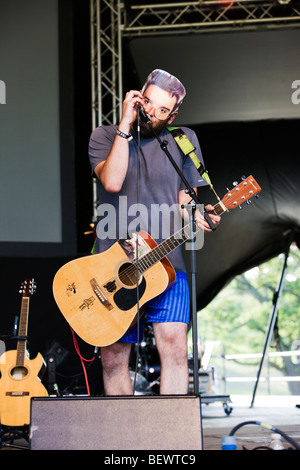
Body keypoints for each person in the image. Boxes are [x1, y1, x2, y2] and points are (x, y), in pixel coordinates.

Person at [88, 69, 221, 396]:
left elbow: (184, 199)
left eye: (163, 110)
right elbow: (112, 182)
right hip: (114, 266)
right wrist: (125, 124)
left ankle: (170, 438)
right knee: (114, 357)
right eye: (148, 103)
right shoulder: (104, 136)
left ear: (173, 114)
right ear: (137, 98)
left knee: (176, 349)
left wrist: (200, 214)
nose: (152, 113)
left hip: (168, 266)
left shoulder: (182, 139)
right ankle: (123, 438)